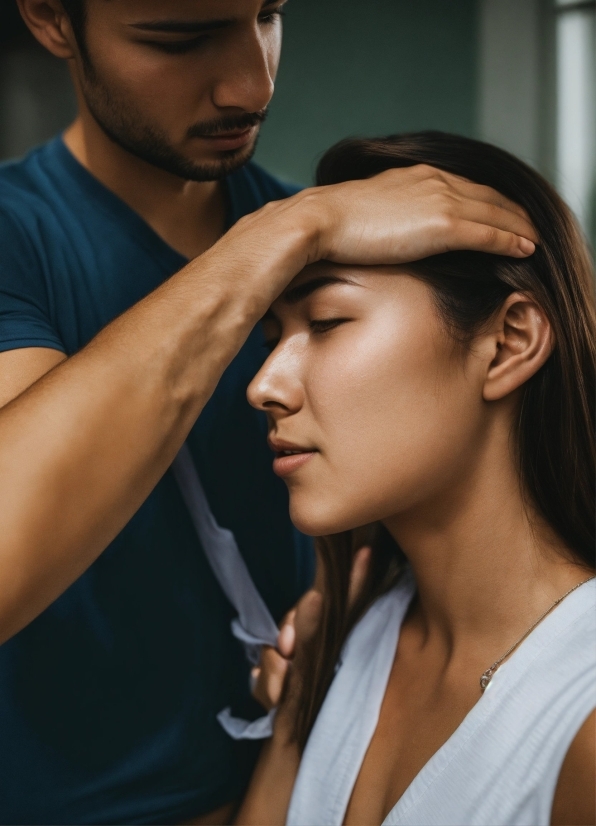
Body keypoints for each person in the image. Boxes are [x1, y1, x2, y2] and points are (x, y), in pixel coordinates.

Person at [0, 0, 538, 820]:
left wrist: (347, 639)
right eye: (179, 37)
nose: (252, 83)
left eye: (269, 14)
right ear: (50, 19)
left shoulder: (345, 256)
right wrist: (295, 228)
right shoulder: (22, 240)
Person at [240, 132, 596, 826]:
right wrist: (292, 730)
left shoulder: (581, 716)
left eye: (327, 320)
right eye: (269, 338)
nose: (264, 385)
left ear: (510, 342)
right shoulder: (352, 642)